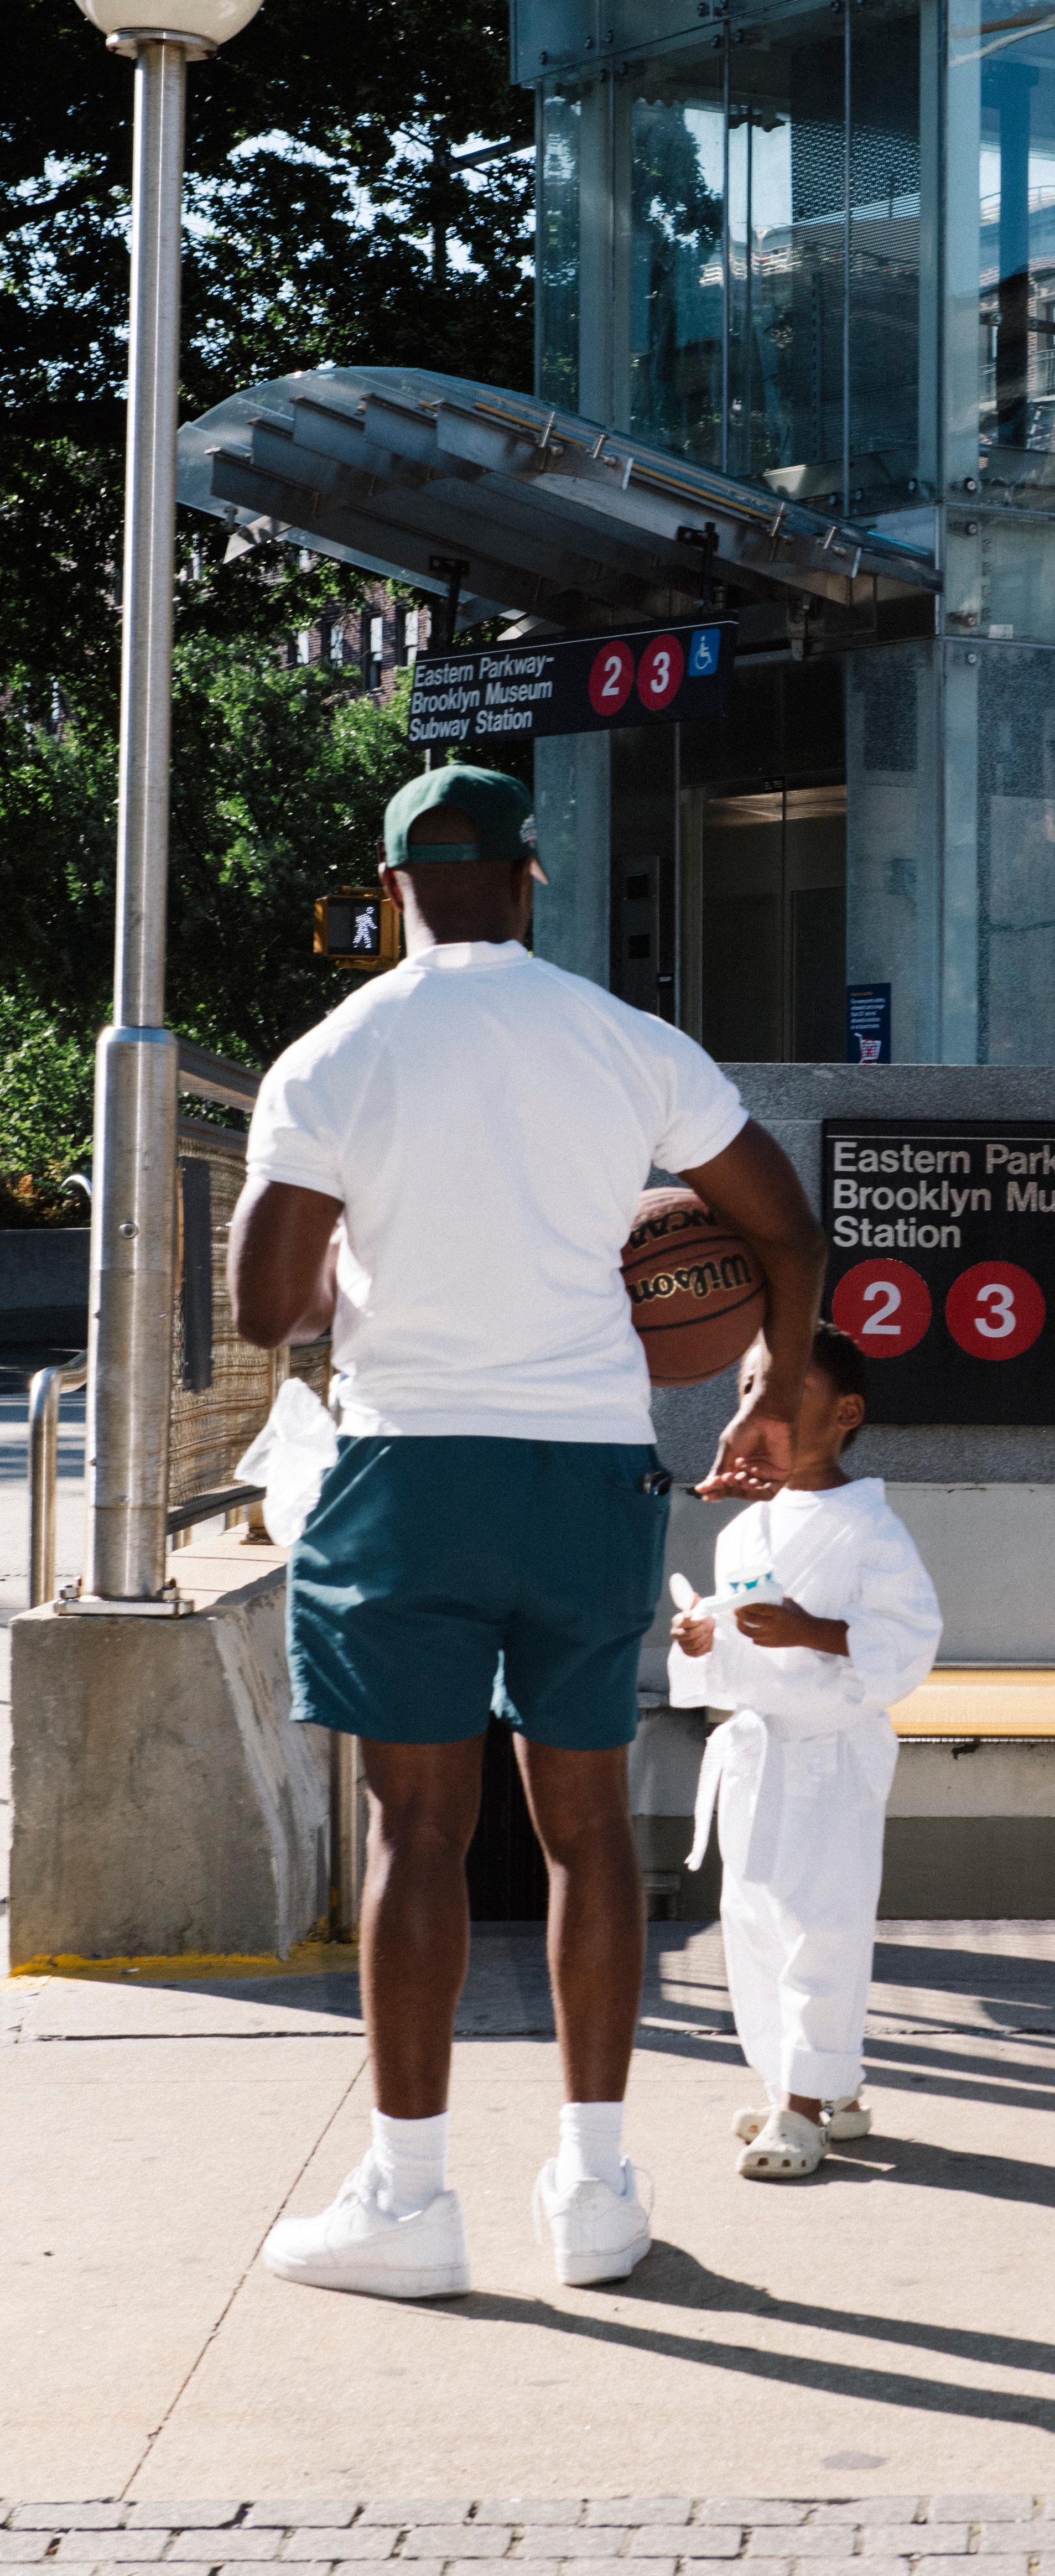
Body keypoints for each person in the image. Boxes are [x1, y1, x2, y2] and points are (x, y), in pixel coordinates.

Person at [228, 763, 825, 2299]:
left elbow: (264, 1308)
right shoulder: (627, 1043)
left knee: (414, 1833)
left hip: (410, 1473)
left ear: (391, 891)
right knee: (586, 1832)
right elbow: (781, 1228)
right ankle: (598, 2188)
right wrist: (769, 1381)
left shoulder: (331, 1056)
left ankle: (410, 2202)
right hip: (586, 1473)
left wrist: (359, 1252)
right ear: (533, 877)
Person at [668, 1323, 940, 2180]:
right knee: (754, 1926)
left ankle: (803, 2108)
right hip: (755, 1753)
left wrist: (813, 1630)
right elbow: (738, 1645)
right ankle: (816, 2084)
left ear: (846, 1413)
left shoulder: (872, 1529)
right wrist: (703, 1643)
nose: (761, 1410)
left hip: (829, 1757)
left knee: (822, 1927)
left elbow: (909, 1638)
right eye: (748, 1391)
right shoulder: (745, 1530)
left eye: (787, 1395)